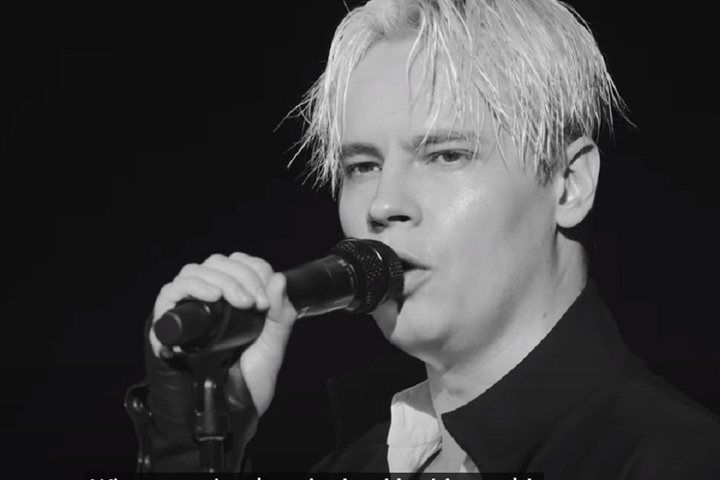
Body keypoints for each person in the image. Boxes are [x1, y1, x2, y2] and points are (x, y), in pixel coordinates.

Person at [126, 0, 720, 476]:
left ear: (569, 185)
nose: (382, 205)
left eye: (446, 154)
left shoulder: (679, 462)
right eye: (362, 166)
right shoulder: (354, 461)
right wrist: (193, 448)